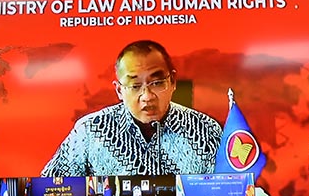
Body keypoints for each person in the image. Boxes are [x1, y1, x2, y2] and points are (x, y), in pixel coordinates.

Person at [41, 40, 223, 176]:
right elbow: (49, 192)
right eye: (135, 86)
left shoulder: (206, 130)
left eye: (157, 83)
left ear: (173, 82)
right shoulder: (90, 131)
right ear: (119, 90)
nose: (147, 96)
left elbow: (230, 194)